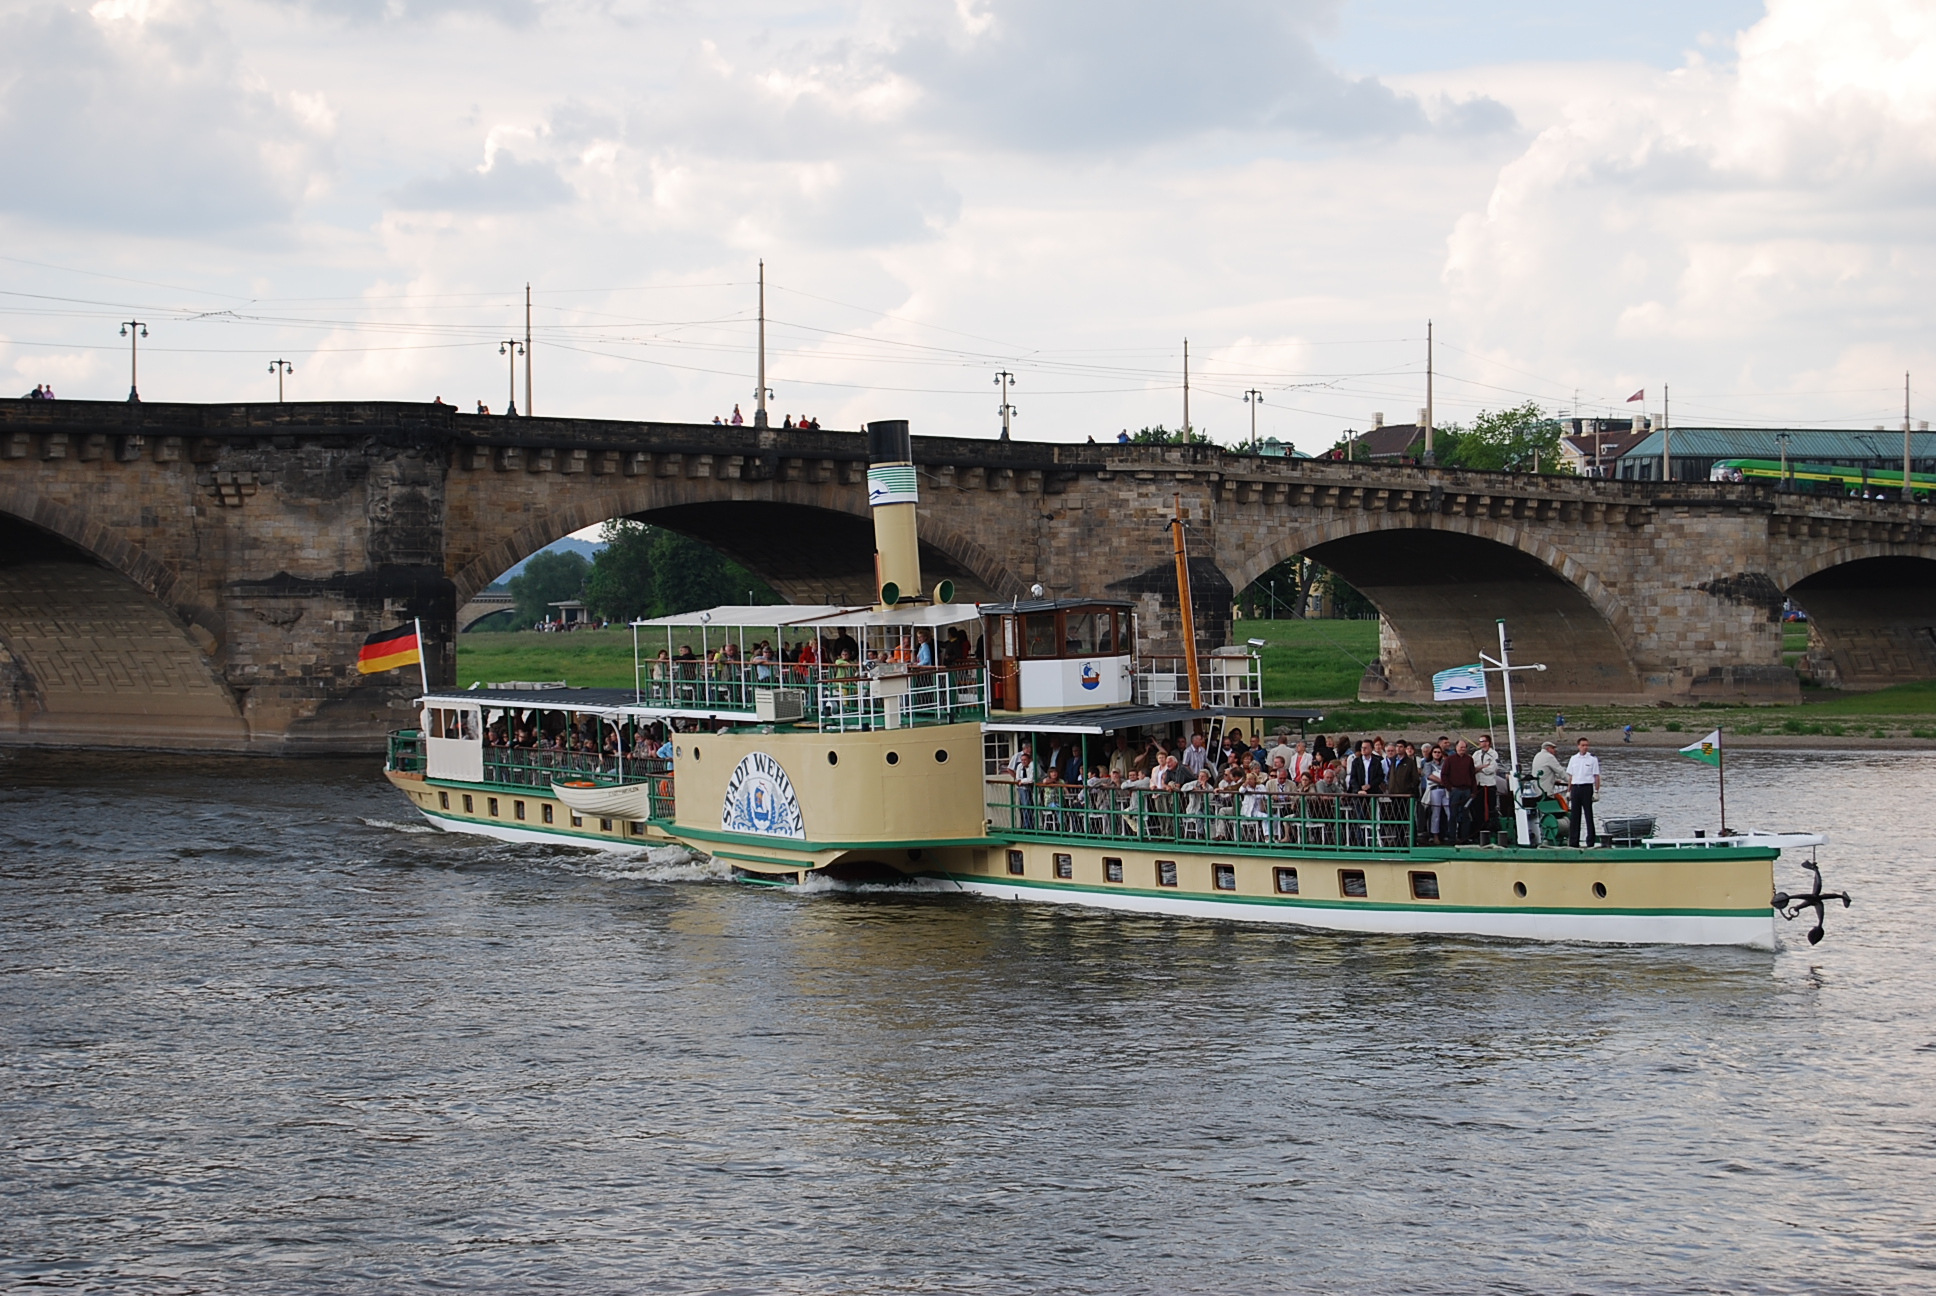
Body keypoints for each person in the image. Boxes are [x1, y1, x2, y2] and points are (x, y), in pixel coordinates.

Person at [1439, 739, 1478, 843]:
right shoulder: (1450, 759)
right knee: (1453, 815)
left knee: (1466, 815)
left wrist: (1474, 791)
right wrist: (1449, 787)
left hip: (1466, 790)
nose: (1462, 749)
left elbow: (1472, 775)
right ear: (1456, 748)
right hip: (1455, 790)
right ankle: (1452, 837)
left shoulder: (1469, 760)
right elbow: (1444, 775)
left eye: (1464, 747)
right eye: (1461, 747)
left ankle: (1464, 837)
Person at [1567, 737, 1602, 846]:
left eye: (1586, 745)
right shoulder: (1573, 759)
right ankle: (1573, 842)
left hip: (1587, 788)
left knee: (1588, 814)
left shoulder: (1592, 759)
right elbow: (1571, 776)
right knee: (1575, 816)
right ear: (1578, 746)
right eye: (1583, 745)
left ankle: (1590, 841)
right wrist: (1568, 791)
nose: (1585, 747)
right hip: (1576, 788)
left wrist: (1596, 790)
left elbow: (1596, 776)